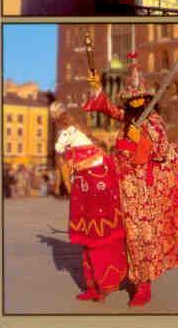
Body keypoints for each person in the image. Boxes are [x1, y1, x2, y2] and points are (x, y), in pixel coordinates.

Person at [84, 54, 178, 306]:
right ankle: (110, 277)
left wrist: (142, 139)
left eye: (140, 99)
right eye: (132, 100)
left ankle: (143, 285)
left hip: (141, 192)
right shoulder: (128, 118)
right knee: (115, 234)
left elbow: (161, 150)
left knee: (141, 237)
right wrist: (97, 88)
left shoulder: (153, 121)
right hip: (119, 185)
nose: (137, 102)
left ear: (147, 100)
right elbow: (108, 108)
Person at [52, 102, 127, 302]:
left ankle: (102, 285)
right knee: (87, 247)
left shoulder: (94, 157)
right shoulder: (77, 156)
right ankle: (92, 286)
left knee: (99, 247)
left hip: (100, 213)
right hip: (85, 209)